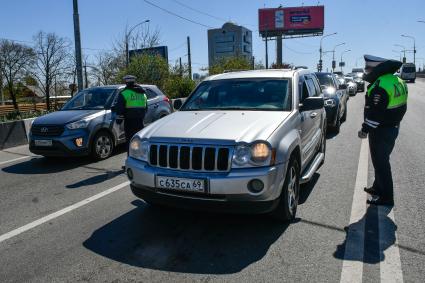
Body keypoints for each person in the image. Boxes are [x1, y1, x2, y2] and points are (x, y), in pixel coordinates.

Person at [358, 55, 408, 206]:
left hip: (381, 131)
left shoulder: (380, 85)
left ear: (376, 69)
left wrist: (365, 129)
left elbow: (376, 113)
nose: (366, 71)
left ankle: (386, 197)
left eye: (368, 68)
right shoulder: (396, 80)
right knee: (380, 161)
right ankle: (377, 188)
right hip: (392, 127)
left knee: (381, 164)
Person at [115, 75, 147, 151]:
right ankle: (139, 156)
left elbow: (120, 108)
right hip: (140, 121)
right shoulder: (142, 93)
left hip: (129, 122)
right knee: (139, 139)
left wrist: (118, 120)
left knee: (131, 140)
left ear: (126, 82)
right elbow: (146, 108)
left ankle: (132, 156)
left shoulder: (124, 93)